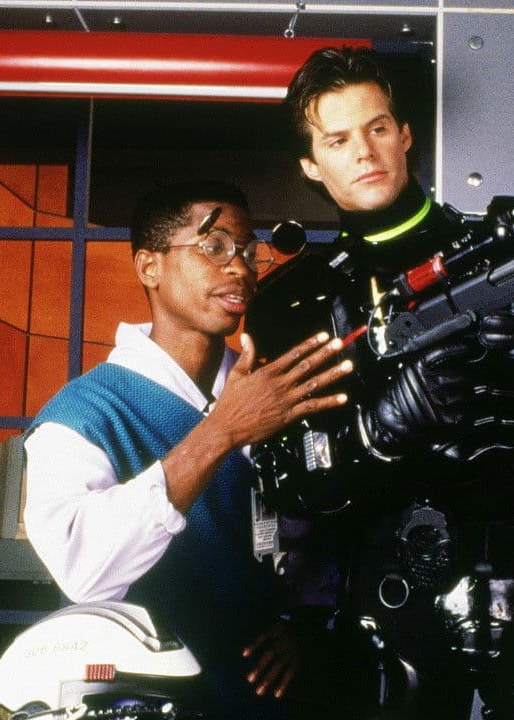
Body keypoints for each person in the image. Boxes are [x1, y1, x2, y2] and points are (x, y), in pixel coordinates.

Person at [245, 48, 514, 719]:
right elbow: (286, 485)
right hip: (385, 608)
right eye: (338, 140)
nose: (364, 152)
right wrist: (376, 432)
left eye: (377, 128)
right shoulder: (295, 303)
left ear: (405, 134)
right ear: (310, 165)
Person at [22, 180, 353, 719]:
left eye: (248, 252)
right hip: (146, 699)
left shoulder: (272, 388)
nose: (240, 269)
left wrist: (304, 621)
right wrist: (219, 433)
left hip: (267, 699)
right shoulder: (81, 415)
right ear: (149, 266)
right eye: (214, 246)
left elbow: (319, 530)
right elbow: (84, 572)